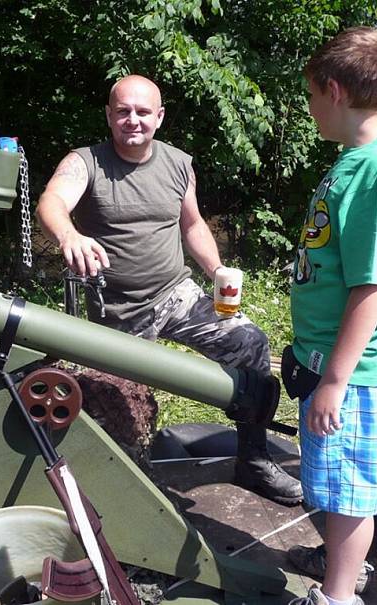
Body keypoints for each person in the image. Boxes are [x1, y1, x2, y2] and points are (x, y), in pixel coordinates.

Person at [36, 74, 302, 505]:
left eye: (143, 112)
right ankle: (140, 498)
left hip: (176, 294)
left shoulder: (178, 163)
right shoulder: (86, 162)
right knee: (123, 411)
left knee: (250, 344)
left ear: (159, 117)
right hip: (117, 313)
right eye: (123, 111)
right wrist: (69, 237)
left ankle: (252, 460)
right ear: (109, 115)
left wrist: (215, 268)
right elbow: (52, 202)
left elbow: (192, 223)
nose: (133, 120)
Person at [284, 28, 377, 605]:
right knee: (334, 481)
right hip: (331, 361)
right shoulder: (356, 160)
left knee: (350, 494)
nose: (310, 107)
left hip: (356, 375)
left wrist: (335, 381)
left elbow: (372, 287)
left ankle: (338, 594)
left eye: (312, 95)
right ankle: (339, 556)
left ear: (334, 91)